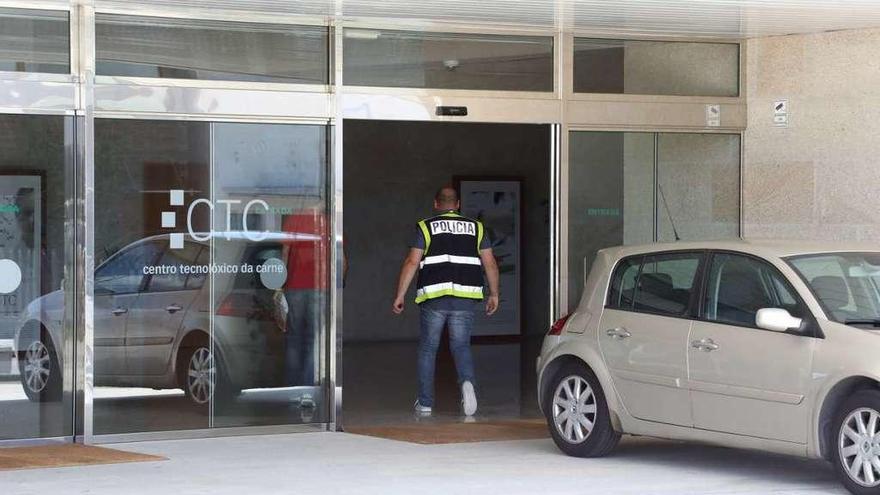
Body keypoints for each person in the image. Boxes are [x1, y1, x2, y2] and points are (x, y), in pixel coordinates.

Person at [392, 186, 500, 417]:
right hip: (465, 297)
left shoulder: (425, 226)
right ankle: (467, 384)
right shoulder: (476, 228)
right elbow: (490, 263)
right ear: (458, 204)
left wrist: (400, 294)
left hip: (434, 298)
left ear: (436, 204)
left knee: (429, 348)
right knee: (460, 346)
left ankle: (425, 402)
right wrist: (494, 294)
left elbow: (412, 262)